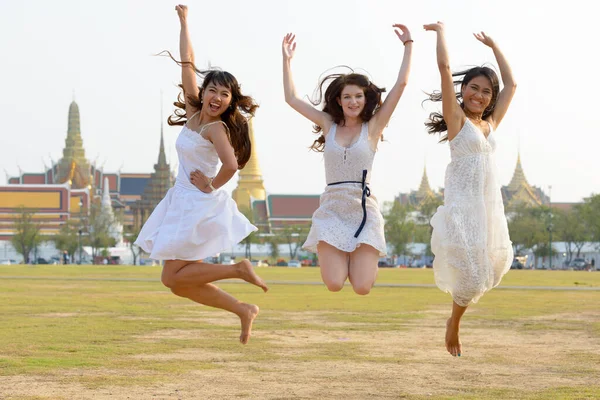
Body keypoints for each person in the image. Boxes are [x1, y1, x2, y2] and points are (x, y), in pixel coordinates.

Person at [135, 5, 268, 345]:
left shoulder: (218, 131)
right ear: (204, 91)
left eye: (225, 94)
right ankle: (242, 309)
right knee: (177, 282)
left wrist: (211, 186)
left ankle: (238, 271)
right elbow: (187, 61)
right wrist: (183, 22)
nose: (218, 98)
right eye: (213, 90)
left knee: (173, 278)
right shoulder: (194, 112)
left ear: (229, 101)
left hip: (195, 203)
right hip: (180, 198)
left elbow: (231, 166)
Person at [281, 25, 413, 295]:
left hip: (363, 209)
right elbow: (292, 99)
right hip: (332, 208)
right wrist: (287, 60)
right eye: (347, 97)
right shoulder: (328, 124)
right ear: (338, 101)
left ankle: (361, 260)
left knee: (362, 287)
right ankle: (340, 256)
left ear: (366, 100)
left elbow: (400, 86)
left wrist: (408, 44)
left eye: (358, 96)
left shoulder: (373, 128)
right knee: (333, 283)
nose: (353, 101)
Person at [424, 22, 517, 357]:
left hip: (488, 207)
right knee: (473, 279)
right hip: (463, 205)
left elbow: (512, 84)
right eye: (474, 88)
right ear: (463, 90)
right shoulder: (457, 120)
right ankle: (454, 323)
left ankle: (453, 319)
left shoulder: (489, 126)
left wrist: (494, 45)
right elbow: (445, 68)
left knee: (494, 267)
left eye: (486, 92)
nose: (479, 95)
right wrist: (440, 32)